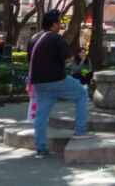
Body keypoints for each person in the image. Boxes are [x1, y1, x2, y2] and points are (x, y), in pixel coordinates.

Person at [28, 9, 89, 159]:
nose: (60, 25)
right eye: (59, 22)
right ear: (54, 24)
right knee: (82, 94)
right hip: (57, 80)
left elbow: (30, 60)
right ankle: (80, 131)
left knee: (41, 115)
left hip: (38, 83)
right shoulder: (56, 38)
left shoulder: (34, 38)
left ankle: (41, 147)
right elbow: (68, 59)